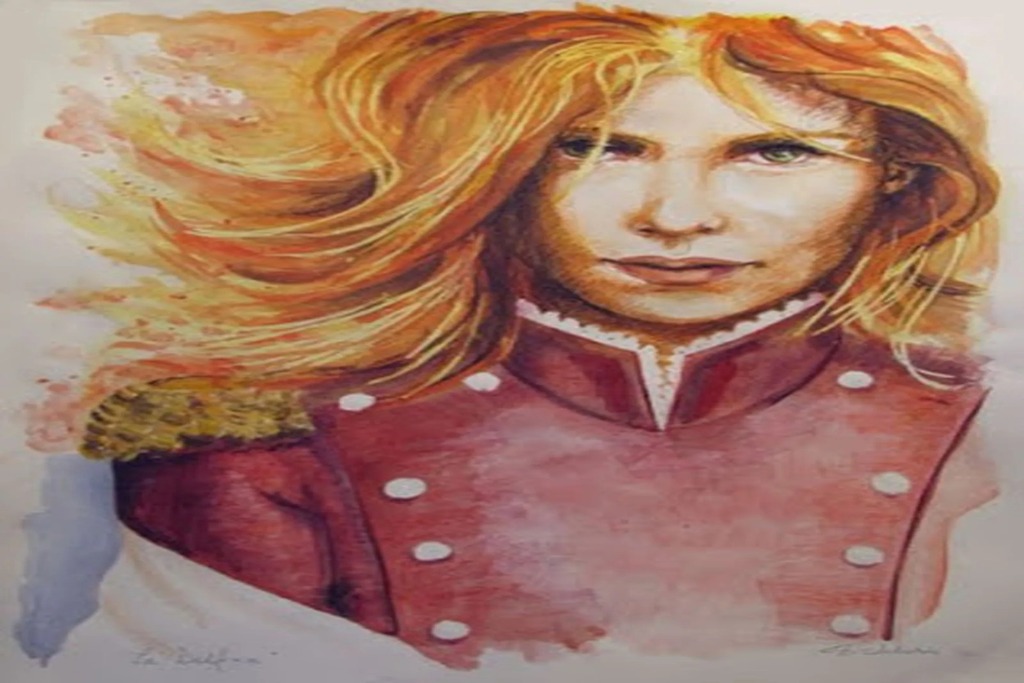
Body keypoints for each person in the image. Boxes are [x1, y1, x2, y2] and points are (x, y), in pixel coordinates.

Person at [65, 7, 1000, 670]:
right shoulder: (263, 447)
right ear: (492, 170)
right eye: (597, 148)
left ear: (899, 177)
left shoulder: (980, 425)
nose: (676, 217)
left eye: (775, 152)